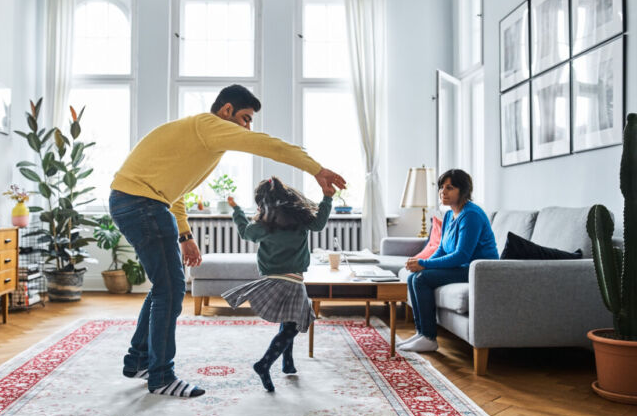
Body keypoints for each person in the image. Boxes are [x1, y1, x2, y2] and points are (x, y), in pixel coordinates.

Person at [109, 85, 346, 397]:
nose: (248, 127)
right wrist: (317, 170)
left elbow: (174, 192)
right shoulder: (210, 127)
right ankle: (161, 376)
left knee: (163, 286)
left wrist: (185, 236)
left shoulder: (202, 140)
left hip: (139, 202)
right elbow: (268, 145)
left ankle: (138, 361)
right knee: (171, 288)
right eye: (245, 118)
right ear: (226, 111)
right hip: (142, 204)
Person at [222, 177, 333, 392]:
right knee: (291, 326)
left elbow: (245, 232)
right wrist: (327, 197)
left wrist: (236, 210)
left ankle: (287, 363)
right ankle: (264, 364)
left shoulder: (264, 225)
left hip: (273, 279)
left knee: (288, 319)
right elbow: (319, 224)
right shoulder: (300, 220)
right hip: (292, 281)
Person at [398, 169, 498, 353]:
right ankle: (422, 333)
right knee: (415, 276)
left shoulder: (471, 215)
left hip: (477, 270)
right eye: (441, 187)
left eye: (449, 188)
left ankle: (429, 338)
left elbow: (462, 255)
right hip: (461, 267)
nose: (443, 192)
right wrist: (421, 262)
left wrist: (425, 265)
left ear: (463, 190)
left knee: (422, 279)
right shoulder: (449, 215)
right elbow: (442, 249)